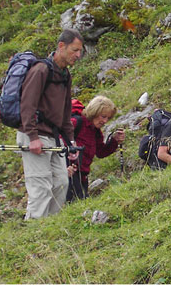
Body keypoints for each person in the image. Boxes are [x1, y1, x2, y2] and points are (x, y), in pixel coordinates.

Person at [16, 28, 83, 219]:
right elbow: (27, 105)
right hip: (34, 135)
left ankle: (49, 228)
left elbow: (65, 111)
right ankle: (33, 233)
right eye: (74, 50)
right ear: (61, 46)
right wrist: (32, 137)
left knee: (61, 182)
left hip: (54, 137)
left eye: (80, 51)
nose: (78, 55)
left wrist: (70, 142)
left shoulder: (64, 75)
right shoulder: (40, 70)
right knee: (40, 187)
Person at [66, 96, 125, 201]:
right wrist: (62, 168)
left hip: (82, 177)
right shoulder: (76, 122)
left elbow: (101, 152)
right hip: (69, 174)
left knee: (80, 204)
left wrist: (114, 141)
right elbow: (59, 144)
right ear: (94, 112)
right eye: (103, 116)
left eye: (108, 118)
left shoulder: (96, 131)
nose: (105, 121)